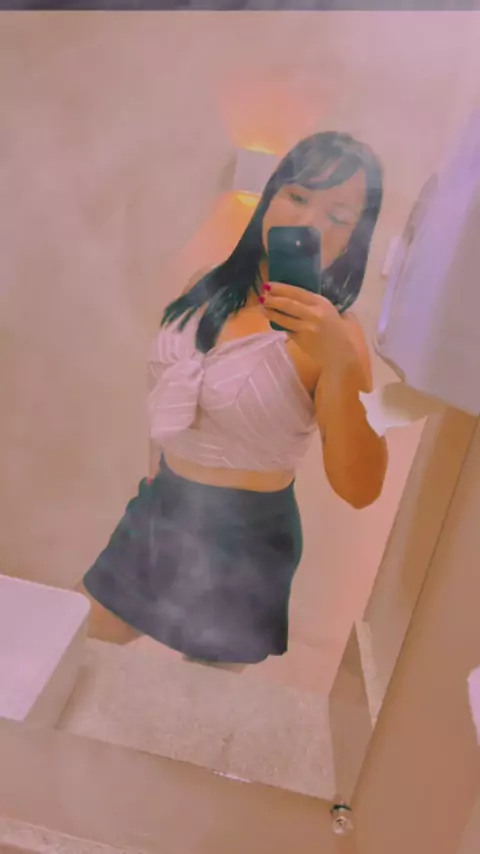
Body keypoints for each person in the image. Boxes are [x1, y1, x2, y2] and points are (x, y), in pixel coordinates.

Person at [78, 131, 388, 664]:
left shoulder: (341, 337)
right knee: (73, 651)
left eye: (338, 216)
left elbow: (360, 489)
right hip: (161, 507)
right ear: (270, 195)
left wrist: (340, 362)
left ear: (353, 238)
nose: (308, 221)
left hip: (244, 539)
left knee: (197, 704)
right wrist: (155, 475)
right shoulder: (207, 285)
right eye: (297, 196)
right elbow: (173, 394)